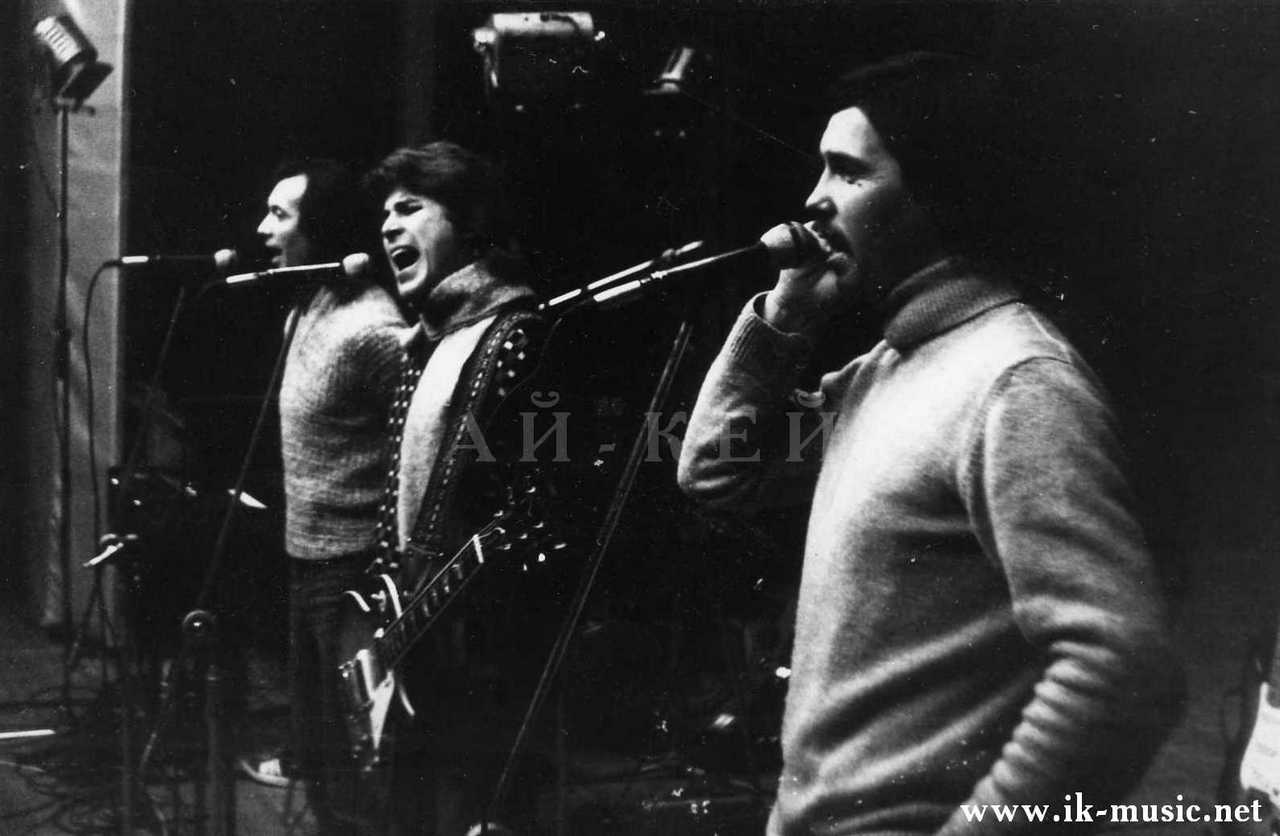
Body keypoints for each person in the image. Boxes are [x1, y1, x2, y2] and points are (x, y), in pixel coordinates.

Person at [677, 52, 1184, 834]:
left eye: (848, 172)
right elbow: (715, 472)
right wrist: (785, 317)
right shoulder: (884, 370)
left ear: (936, 193)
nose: (812, 201)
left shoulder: (1018, 381)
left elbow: (1123, 669)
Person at [363, 140, 550, 836]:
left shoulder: (517, 333)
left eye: (411, 208)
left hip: (481, 663)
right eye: (385, 213)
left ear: (469, 221)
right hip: (420, 641)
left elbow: (535, 503)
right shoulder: (430, 339)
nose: (389, 226)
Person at [237, 159, 409, 835]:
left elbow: (423, 442)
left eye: (280, 215)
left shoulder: (374, 330)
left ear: (323, 229)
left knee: (358, 765)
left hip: (354, 569)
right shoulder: (306, 309)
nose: (263, 228)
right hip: (305, 559)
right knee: (320, 754)